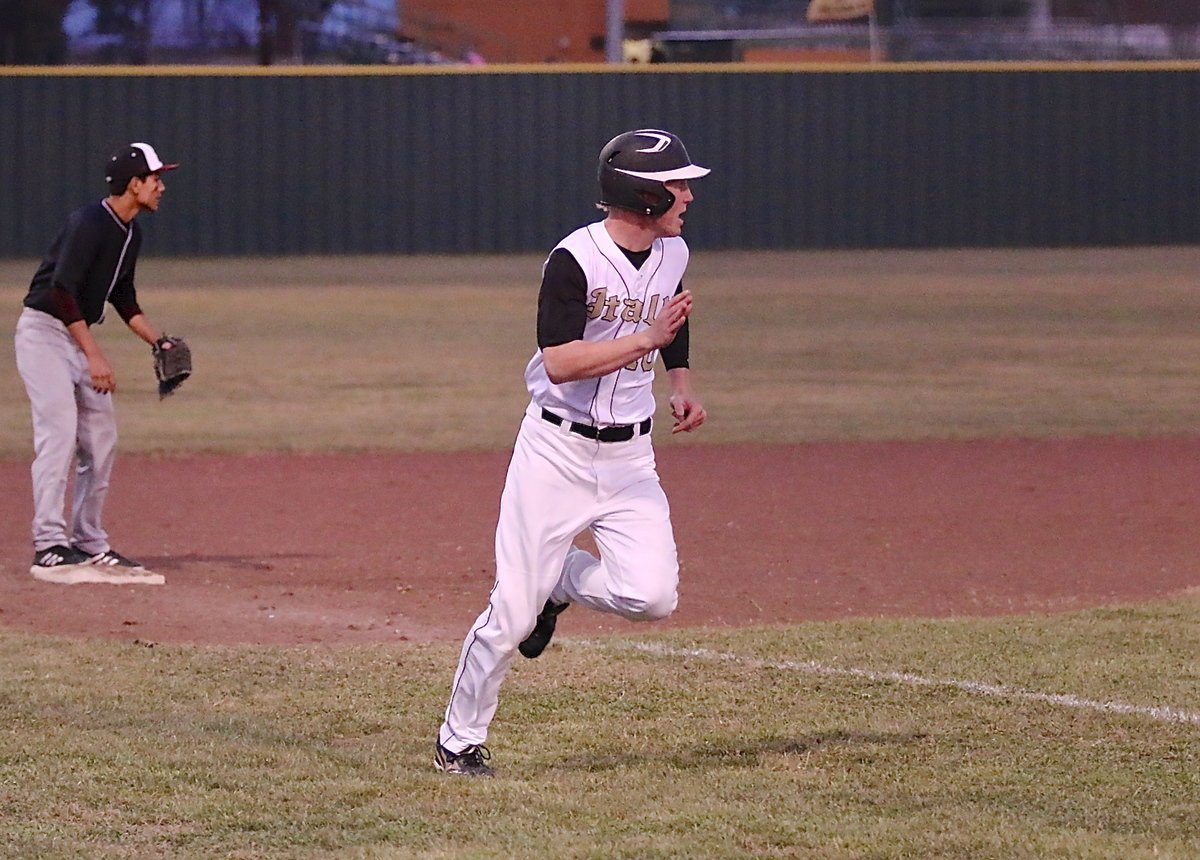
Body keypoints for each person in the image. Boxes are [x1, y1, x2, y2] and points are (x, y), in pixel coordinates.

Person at [436, 128, 710, 776]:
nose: (688, 196)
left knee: (653, 598)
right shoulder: (574, 260)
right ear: (642, 194)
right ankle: (459, 741)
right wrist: (645, 338)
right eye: (677, 184)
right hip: (555, 451)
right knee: (510, 615)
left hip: (630, 457)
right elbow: (558, 362)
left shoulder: (672, 251)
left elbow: (672, 315)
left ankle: (560, 582)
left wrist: (681, 380)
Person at [14, 142, 181, 586]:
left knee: (101, 439)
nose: (162, 186)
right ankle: (49, 545)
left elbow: (122, 296)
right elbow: (62, 292)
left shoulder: (130, 232)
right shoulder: (88, 223)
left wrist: (158, 341)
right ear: (134, 184)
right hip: (45, 333)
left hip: (74, 334)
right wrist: (94, 355)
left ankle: (89, 541)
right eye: (155, 178)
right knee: (59, 434)